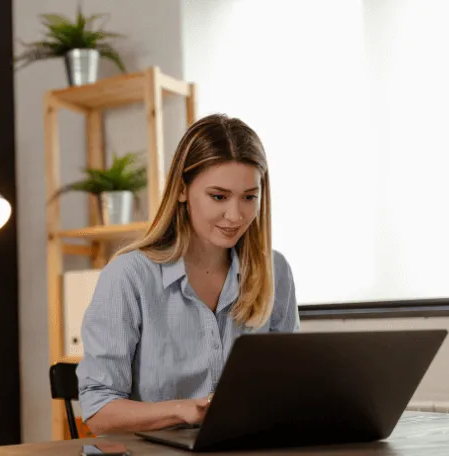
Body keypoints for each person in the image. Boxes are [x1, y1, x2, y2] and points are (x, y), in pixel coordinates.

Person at [76, 113, 300, 435]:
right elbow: (98, 411)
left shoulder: (274, 271)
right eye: (218, 197)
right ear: (182, 190)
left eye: (249, 197)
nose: (235, 215)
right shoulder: (129, 277)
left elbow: (288, 386)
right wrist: (184, 410)